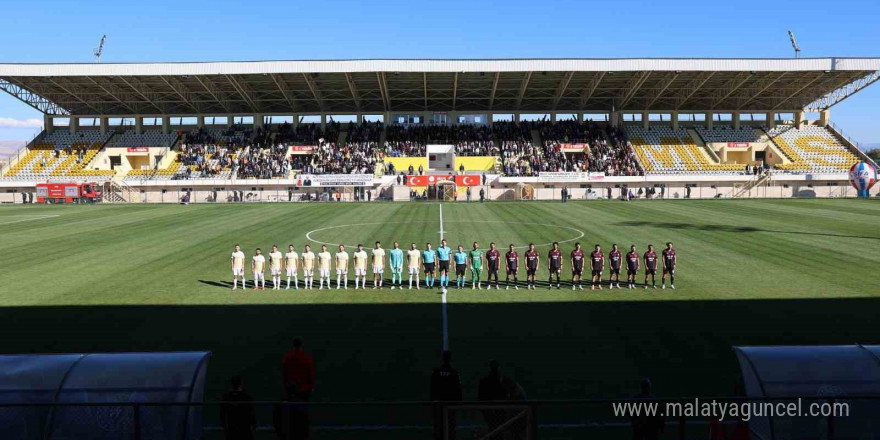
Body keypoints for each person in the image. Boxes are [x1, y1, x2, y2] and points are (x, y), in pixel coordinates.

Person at [430, 350, 463, 440]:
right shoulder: (454, 373)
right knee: (450, 428)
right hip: (450, 406)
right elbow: (458, 389)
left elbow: (433, 389)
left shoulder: (436, 372)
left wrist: (433, 401)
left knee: (439, 428)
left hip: (439, 406)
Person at [220, 375, 256, 440]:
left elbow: (222, 414)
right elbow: (252, 413)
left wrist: (224, 427)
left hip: (232, 428)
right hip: (245, 428)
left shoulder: (227, 397)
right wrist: (253, 426)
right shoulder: (247, 396)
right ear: (241, 384)